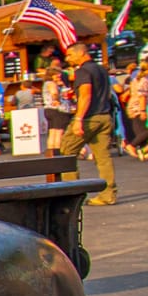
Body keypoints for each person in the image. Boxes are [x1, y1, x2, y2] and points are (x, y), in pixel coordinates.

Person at [61, 43, 117, 206]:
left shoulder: (83, 71)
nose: (67, 59)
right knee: (103, 157)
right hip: (104, 115)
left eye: (70, 55)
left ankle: (72, 195)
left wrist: (78, 119)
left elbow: (85, 95)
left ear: (81, 53)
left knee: (67, 151)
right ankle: (108, 194)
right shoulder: (101, 69)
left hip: (88, 118)